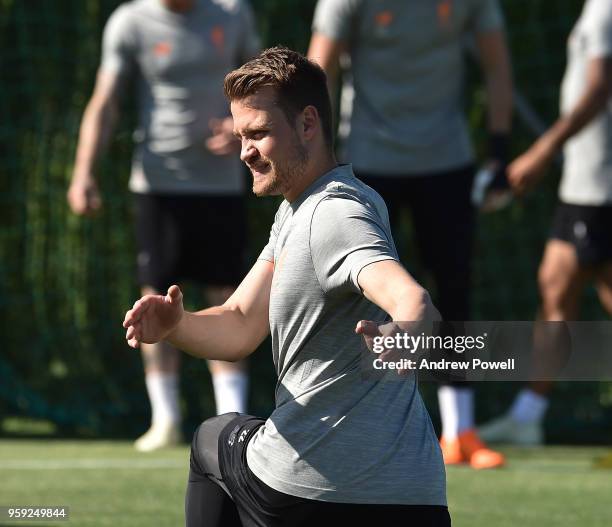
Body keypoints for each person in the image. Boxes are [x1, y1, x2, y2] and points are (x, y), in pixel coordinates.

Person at [123, 47, 451, 526]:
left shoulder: (333, 214)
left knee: (213, 438)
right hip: (416, 497)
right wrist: (177, 324)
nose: (244, 151)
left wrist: (403, 331)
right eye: (240, 136)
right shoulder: (307, 207)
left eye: (258, 133)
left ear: (308, 124)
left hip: (312, 494)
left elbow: (412, 299)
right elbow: (237, 326)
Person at [307, 0, 512, 468]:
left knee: (454, 290)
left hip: (447, 161)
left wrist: (499, 151)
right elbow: (316, 75)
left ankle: (460, 431)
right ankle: (348, 425)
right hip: (368, 162)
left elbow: (498, 66)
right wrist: (319, 155)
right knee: (355, 295)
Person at [67, 0, 260, 451]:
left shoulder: (233, 14)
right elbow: (105, 100)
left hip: (222, 185)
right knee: (154, 297)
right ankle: (165, 419)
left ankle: (229, 420)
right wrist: (83, 173)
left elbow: (263, 89)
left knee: (226, 295)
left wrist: (240, 129)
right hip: (157, 184)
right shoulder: (130, 22)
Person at [478, 0, 612, 446]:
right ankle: (527, 415)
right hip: (585, 182)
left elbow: (599, 88)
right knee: (555, 283)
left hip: (601, 183)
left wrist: (543, 149)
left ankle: (527, 415)